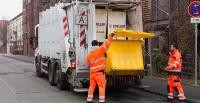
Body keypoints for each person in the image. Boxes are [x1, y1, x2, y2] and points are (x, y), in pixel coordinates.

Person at [86, 33, 114, 103]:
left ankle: (89, 100)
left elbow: (88, 65)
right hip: (99, 73)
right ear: (97, 44)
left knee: (91, 86)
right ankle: (101, 101)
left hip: (92, 74)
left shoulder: (89, 55)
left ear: (92, 45)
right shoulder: (100, 50)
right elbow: (107, 44)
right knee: (101, 87)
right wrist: (110, 36)